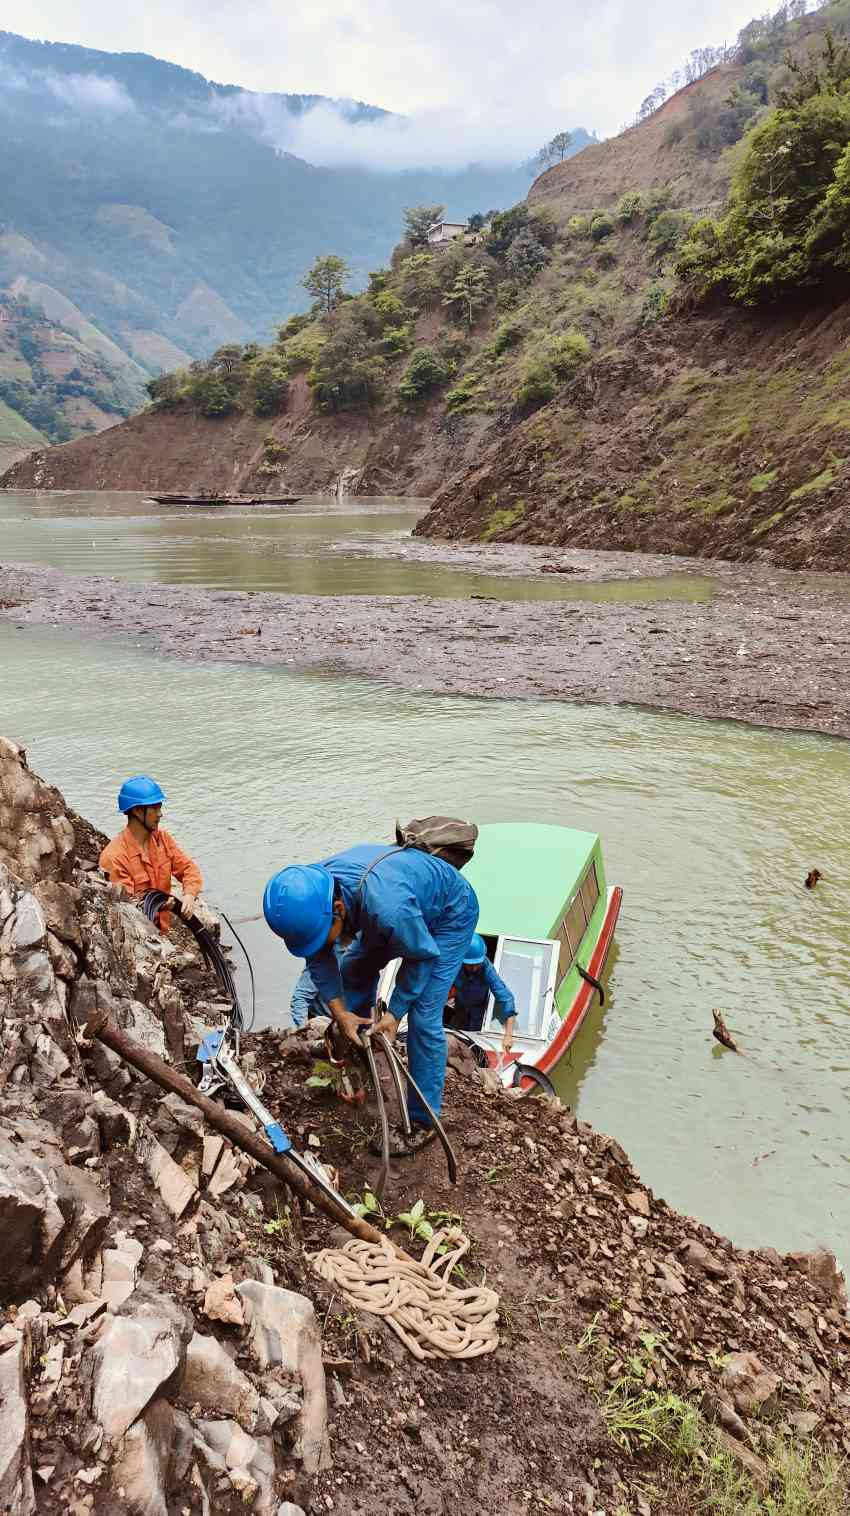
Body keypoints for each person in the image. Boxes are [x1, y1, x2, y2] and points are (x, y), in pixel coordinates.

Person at [263, 842, 478, 1153]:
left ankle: (422, 1122)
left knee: (424, 1015)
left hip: (449, 914)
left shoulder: (389, 909)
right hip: (396, 905)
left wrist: (394, 1014)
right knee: (353, 970)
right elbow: (318, 956)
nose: (318, 946)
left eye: (322, 935)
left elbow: (422, 957)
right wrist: (341, 1014)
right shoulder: (311, 890)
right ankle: (360, 1046)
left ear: (338, 909)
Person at [99, 775, 202, 934]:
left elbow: (189, 869)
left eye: (160, 807)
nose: (160, 814)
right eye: (155, 809)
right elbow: (126, 909)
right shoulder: (115, 857)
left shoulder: (162, 840)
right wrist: (158, 905)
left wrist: (189, 894)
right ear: (137, 811)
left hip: (162, 932)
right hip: (137, 936)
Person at [449, 934, 516, 1054]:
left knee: (473, 1047)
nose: (474, 968)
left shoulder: (486, 968)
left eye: (477, 964)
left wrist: (508, 1035)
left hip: (478, 1014)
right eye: (470, 965)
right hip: (460, 1010)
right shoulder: (454, 963)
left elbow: (506, 999)